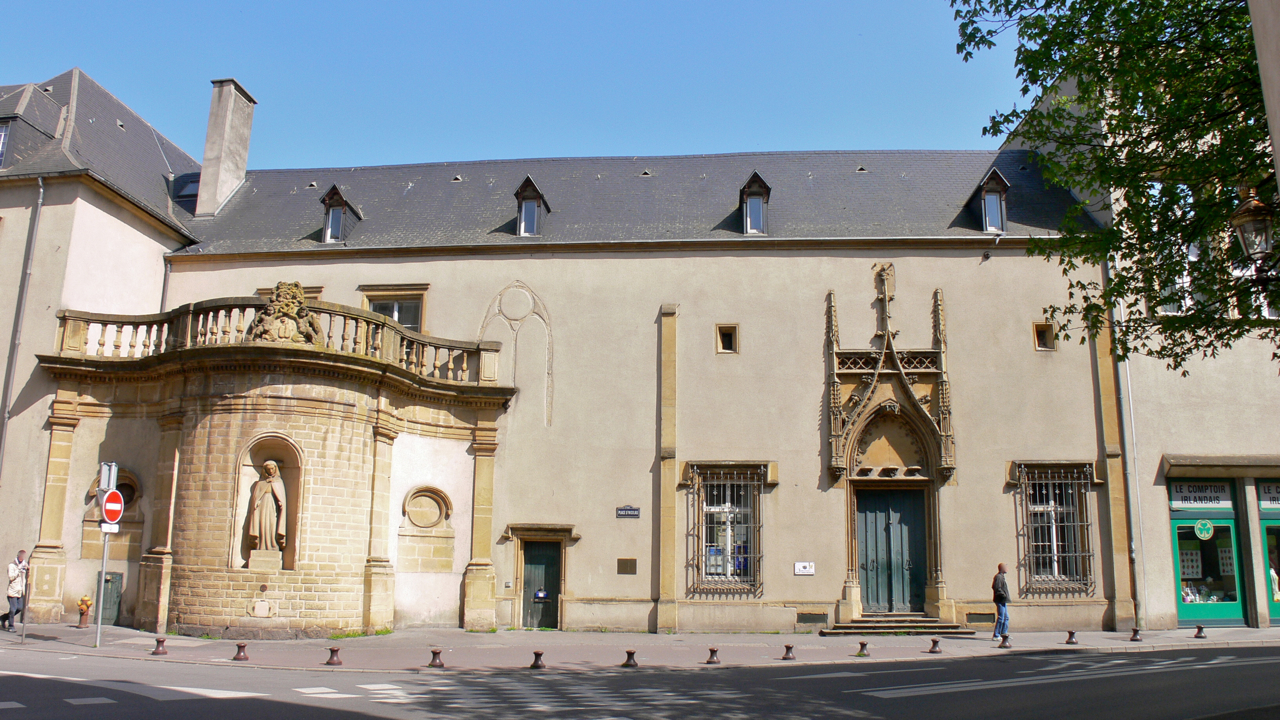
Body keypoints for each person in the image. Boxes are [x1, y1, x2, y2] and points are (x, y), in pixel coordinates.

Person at [248, 461, 288, 552]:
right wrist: (257, 502)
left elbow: (281, 496)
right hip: (262, 506)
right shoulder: (261, 483)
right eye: (268, 469)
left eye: (272, 469)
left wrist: (280, 502)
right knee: (262, 524)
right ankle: (261, 545)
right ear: (265, 470)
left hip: (272, 505)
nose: (270, 471)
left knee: (272, 525)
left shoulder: (278, 482)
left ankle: (272, 544)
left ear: (275, 469)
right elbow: (256, 497)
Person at [3, 551, 28, 632]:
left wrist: (27, 569)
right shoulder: (12, 565)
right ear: (18, 556)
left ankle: (3, 618)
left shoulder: (24, 564)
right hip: (13, 590)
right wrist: (18, 571)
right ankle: (11, 626)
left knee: (19, 608)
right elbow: (11, 577)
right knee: (13, 609)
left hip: (20, 591)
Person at [992, 562, 1010, 641]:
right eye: (1006, 567)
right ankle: (996, 635)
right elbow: (996, 588)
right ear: (1002, 568)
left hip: (1003, 600)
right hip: (1000, 600)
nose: (1007, 569)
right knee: (1001, 617)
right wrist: (1004, 595)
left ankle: (1004, 634)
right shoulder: (998, 577)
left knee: (1006, 617)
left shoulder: (1002, 577)